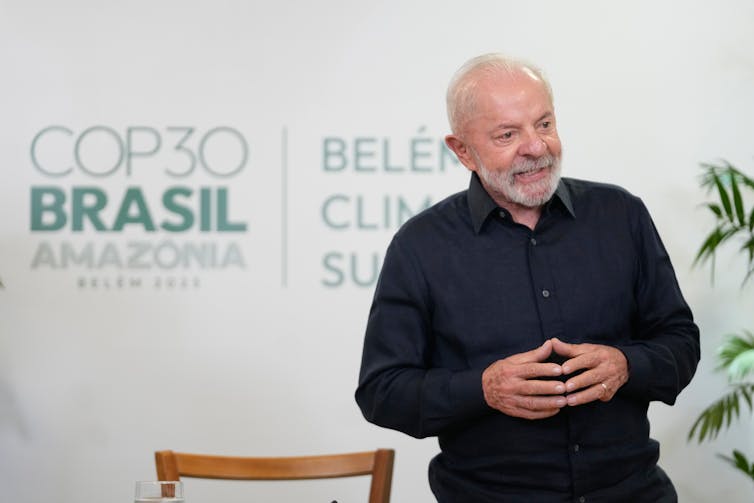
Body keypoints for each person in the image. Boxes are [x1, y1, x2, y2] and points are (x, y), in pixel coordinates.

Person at [355, 53, 700, 502]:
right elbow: (382, 391)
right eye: (507, 134)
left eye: (544, 124)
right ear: (462, 150)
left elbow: (680, 342)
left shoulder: (621, 215)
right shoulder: (421, 246)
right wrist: (482, 388)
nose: (536, 147)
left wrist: (626, 365)